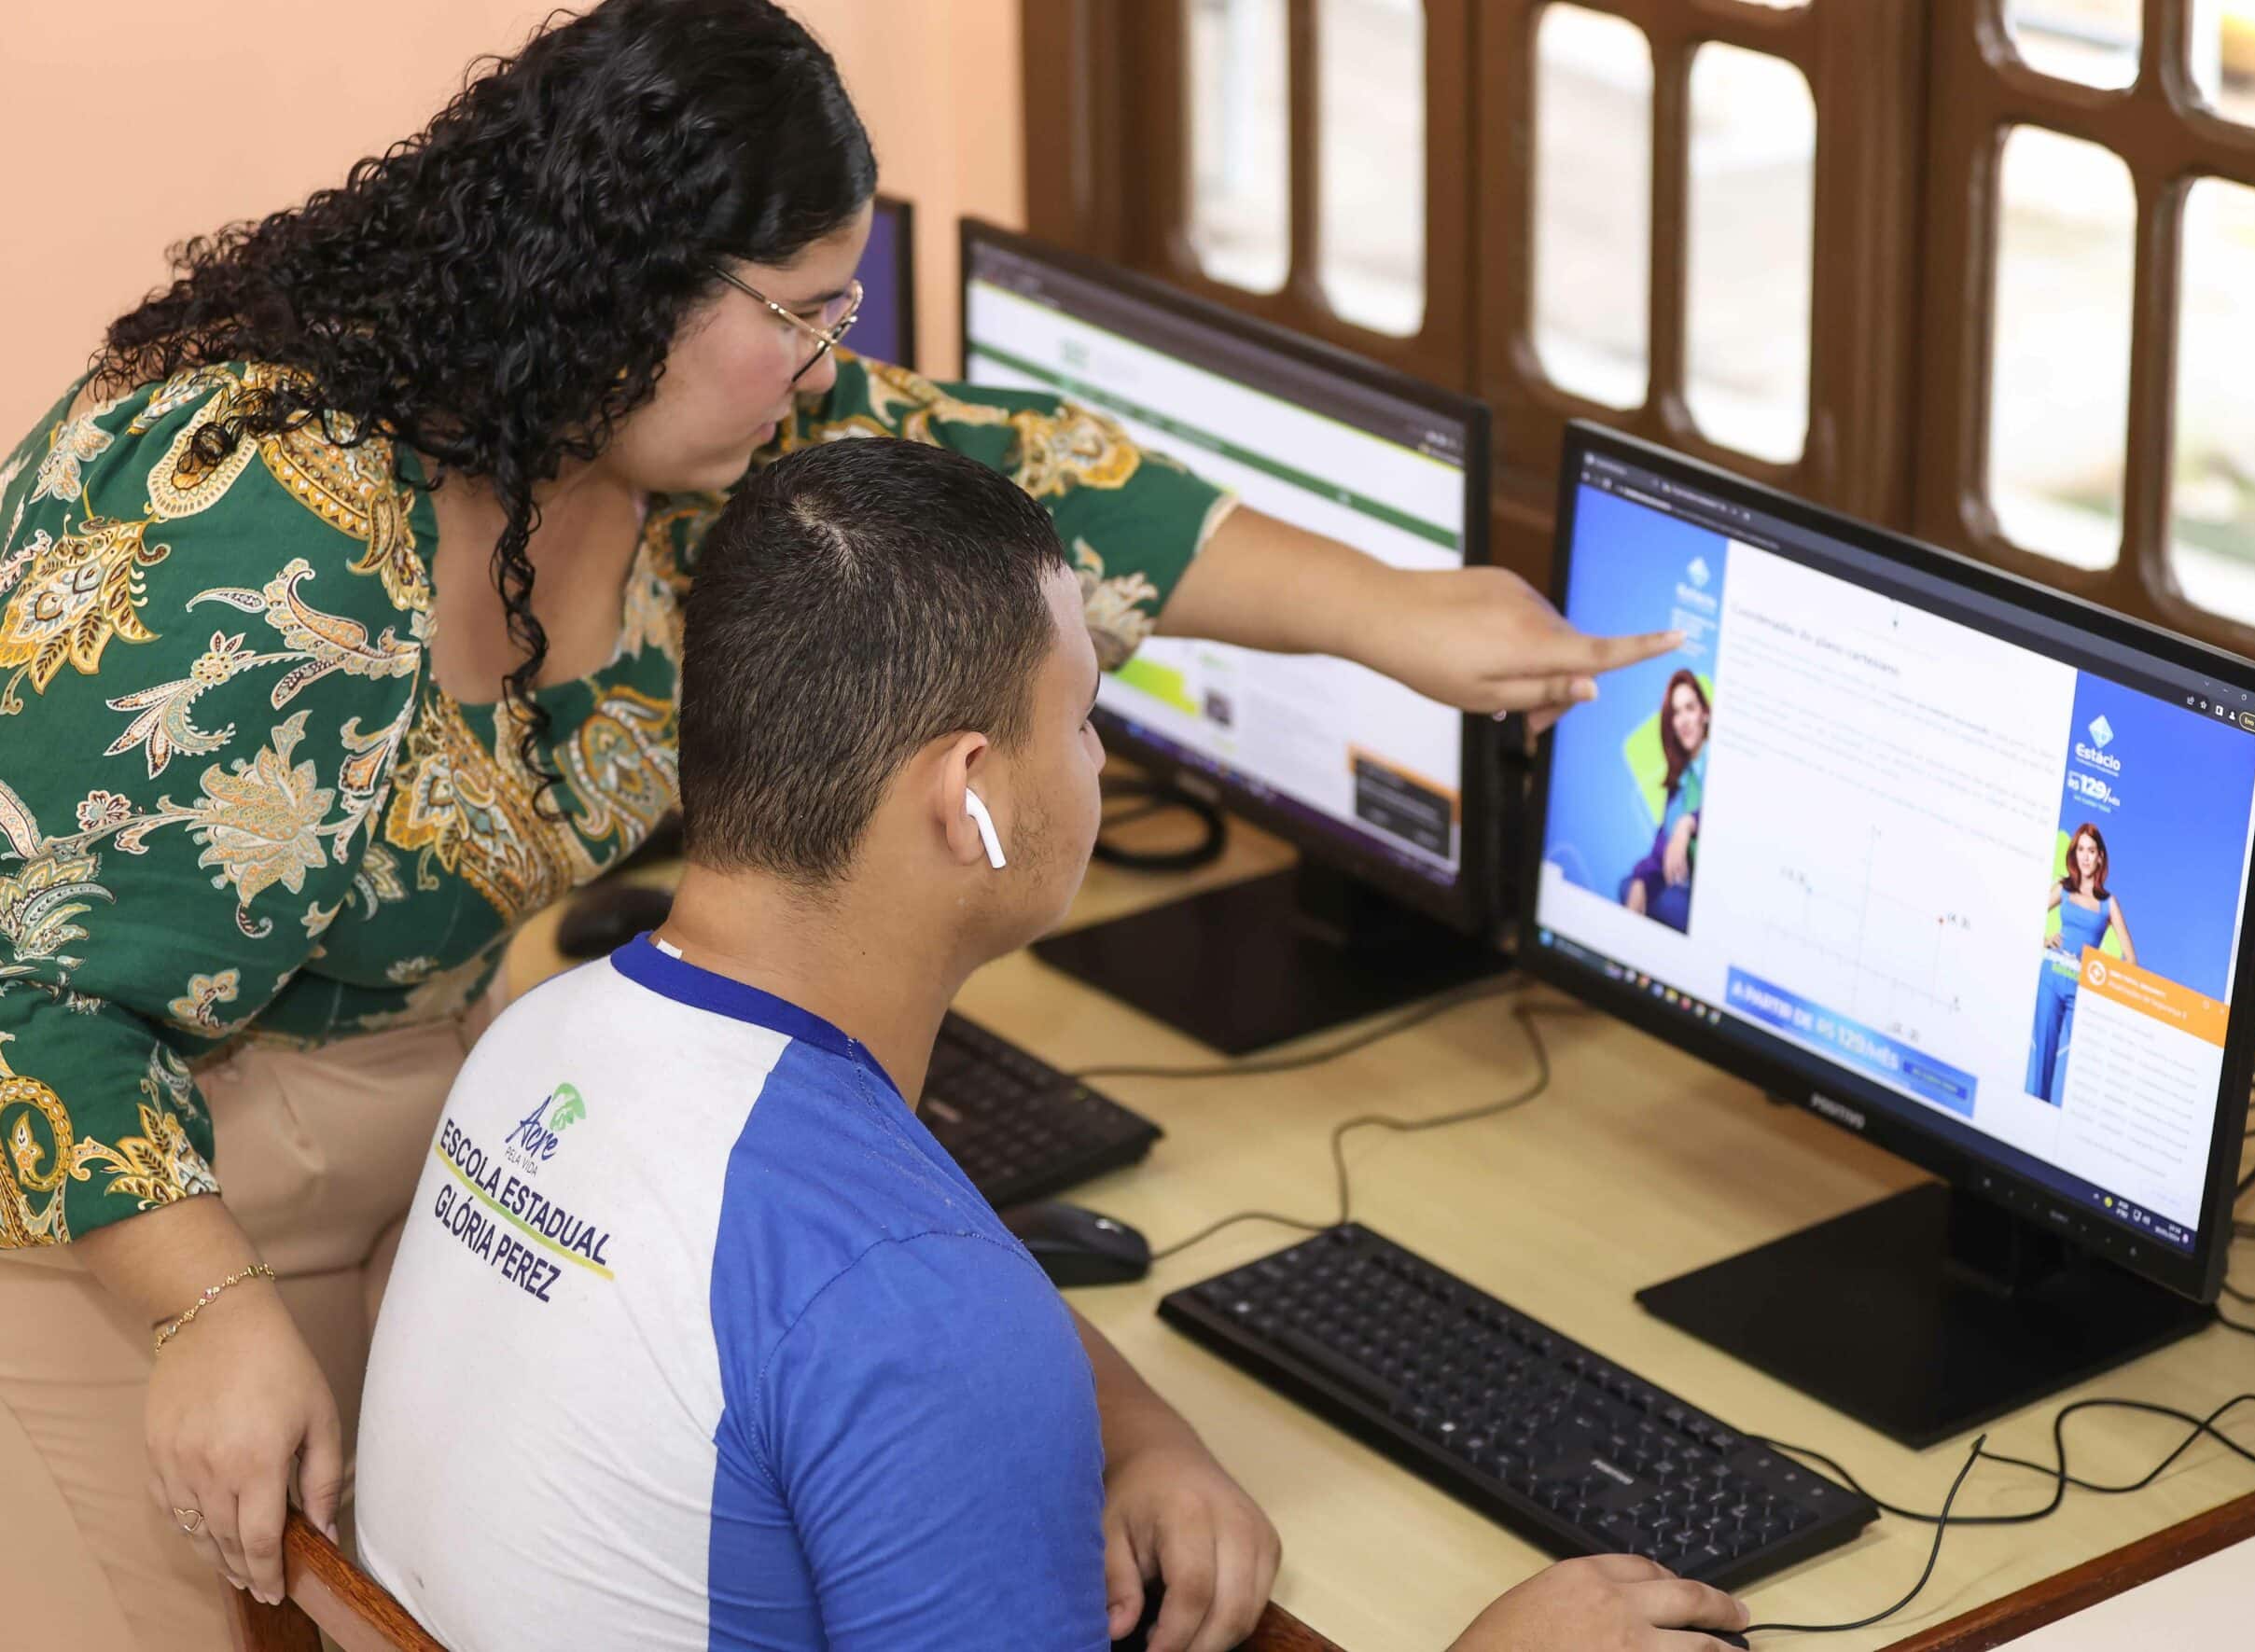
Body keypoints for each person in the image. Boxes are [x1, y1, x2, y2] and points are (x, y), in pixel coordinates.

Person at [0, 3, 1678, 1645]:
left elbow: (1022, 483)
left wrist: (1393, 616)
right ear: (617, 283)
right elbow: (28, 984)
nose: (827, 364)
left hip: (419, 1107)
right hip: (96, 1202)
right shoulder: (244, 518)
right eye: (800, 311)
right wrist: (207, 1309)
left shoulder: (697, 433)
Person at [354, 437, 1753, 1652]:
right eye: (1082, 717)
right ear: (970, 796)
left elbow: (832, 1322)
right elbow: (904, 1322)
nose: (1095, 761)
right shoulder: (918, 1307)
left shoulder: (540, 1038)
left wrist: (1138, 1424)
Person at [2025, 822, 2136, 1104]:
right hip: (2051, 978)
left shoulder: (2108, 903)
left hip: (2083, 988)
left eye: (2091, 850)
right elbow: (2026, 914)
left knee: (2083, 1065)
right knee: (2044, 1056)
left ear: (2100, 857)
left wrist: (2102, 973)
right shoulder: (2063, 888)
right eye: (2080, 850)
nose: (2085, 856)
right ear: (2074, 855)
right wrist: (2044, 939)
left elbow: (2130, 960)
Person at [1621, 671, 1710, 933]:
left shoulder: (1722, 766)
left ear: (1705, 713)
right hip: (1682, 890)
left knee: (1671, 904)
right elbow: (1660, 852)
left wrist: (1688, 824)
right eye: (1676, 713)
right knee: (1629, 887)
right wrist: (1641, 881)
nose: (1683, 720)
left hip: (1711, 899)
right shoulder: (1678, 786)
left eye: (1690, 708)